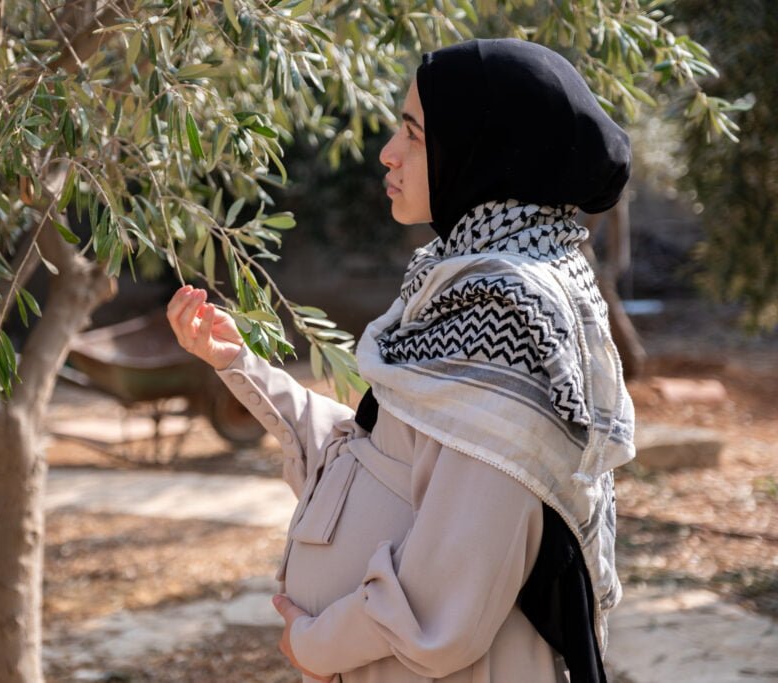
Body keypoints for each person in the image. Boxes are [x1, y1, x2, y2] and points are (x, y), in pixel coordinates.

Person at [166, 38, 635, 683]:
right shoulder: (458, 283)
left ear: (481, 152)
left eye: (414, 134)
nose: (387, 151)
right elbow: (380, 459)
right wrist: (240, 365)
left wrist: (313, 643)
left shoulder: (509, 311)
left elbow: (447, 604)